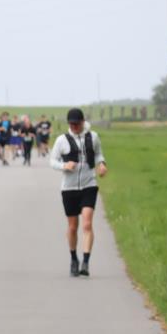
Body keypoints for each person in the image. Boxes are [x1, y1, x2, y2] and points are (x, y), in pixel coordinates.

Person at [49, 108, 108, 277]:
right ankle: (74, 258)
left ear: (83, 122)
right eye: (71, 124)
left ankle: (86, 262)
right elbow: (52, 161)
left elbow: (98, 154)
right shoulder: (62, 140)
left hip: (89, 185)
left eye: (77, 123)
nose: (74, 127)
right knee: (73, 226)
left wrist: (102, 164)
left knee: (87, 223)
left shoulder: (93, 137)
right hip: (69, 188)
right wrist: (64, 166)